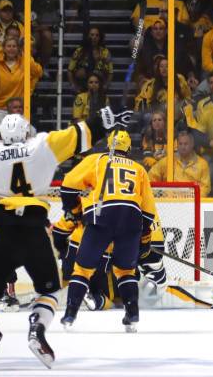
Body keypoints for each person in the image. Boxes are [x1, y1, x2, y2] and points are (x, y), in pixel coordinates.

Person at [0, 99, 132, 369]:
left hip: (3, 231)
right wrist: (105, 118)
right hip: (36, 230)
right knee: (50, 293)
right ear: (26, 131)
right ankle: (37, 328)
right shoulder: (42, 145)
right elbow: (80, 134)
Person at [59, 130, 157, 333]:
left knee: (83, 269)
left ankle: (70, 314)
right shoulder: (139, 169)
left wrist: (73, 209)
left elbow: (68, 185)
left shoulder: (97, 160)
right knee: (125, 271)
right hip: (131, 218)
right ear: (129, 149)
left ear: (108, 144)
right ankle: (132, 314)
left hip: (102, 215)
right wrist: (144, 237)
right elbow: (148, 210)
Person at [0, 37, 42, 129]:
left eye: (14, 46)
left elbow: (38, 72)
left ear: (18, 48)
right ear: (4, 48)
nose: (11, 49)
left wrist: (25, 55)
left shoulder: (24, 62)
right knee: (1, 138)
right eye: (8, 46)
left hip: (19, 109)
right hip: (0, 108)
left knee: (20, 137)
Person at [148, 130, 211, 197]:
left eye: (186, 144)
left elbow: (205, 188)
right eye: (180, 144)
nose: (183, 147)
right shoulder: (168, 161)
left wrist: (194, 198)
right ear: (177, 145)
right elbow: (151, 177)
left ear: (192, 144)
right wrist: (161, 194)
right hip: (169, 202)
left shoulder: (202, 164)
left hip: (192, 202)